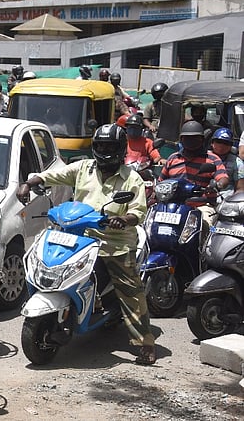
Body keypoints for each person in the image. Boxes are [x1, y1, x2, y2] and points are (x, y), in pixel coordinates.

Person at [17, 124, 157, 365]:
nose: (104, 150)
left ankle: (144, 343)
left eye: (110, 147)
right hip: (79, 236)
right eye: (101, 146)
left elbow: (138, 210)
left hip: (115, 242)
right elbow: (55, 175)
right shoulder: (84, 168)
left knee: (130, 291)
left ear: (120, 149)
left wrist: (124, 219)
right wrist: (30, 183)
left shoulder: (131, 178)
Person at [160, 120, 229, 226]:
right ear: (181, 139)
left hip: (201, 206)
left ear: (202, 140)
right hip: (173, 206)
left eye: (195, 138)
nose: (191, 140)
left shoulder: (212, 159)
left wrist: (217, 185)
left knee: (205, 225)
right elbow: (162, 181)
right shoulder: (173, 159)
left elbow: (223, 177)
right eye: (187, 138)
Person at [208, 127, 244, 198]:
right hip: (203, 196)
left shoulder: (237, 163)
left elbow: (240, 189)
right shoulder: (204, 157)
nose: (222, 145)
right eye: (219, 142)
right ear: (212, 143)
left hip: (226, 200)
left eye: (226, 143)